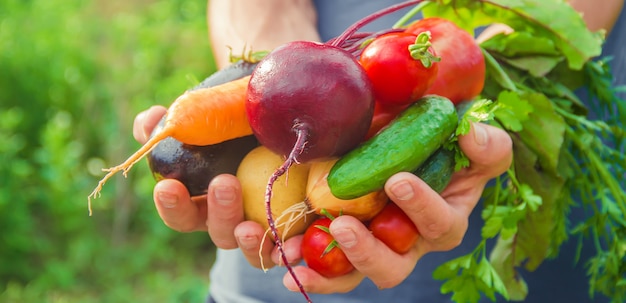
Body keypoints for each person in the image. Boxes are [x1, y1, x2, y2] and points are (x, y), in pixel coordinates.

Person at [132, 0, 624, 302]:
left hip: (547, 277)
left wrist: (473, 87)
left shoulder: (435, 83)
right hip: (277, 255)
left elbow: (562, 15)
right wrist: (283, 84)